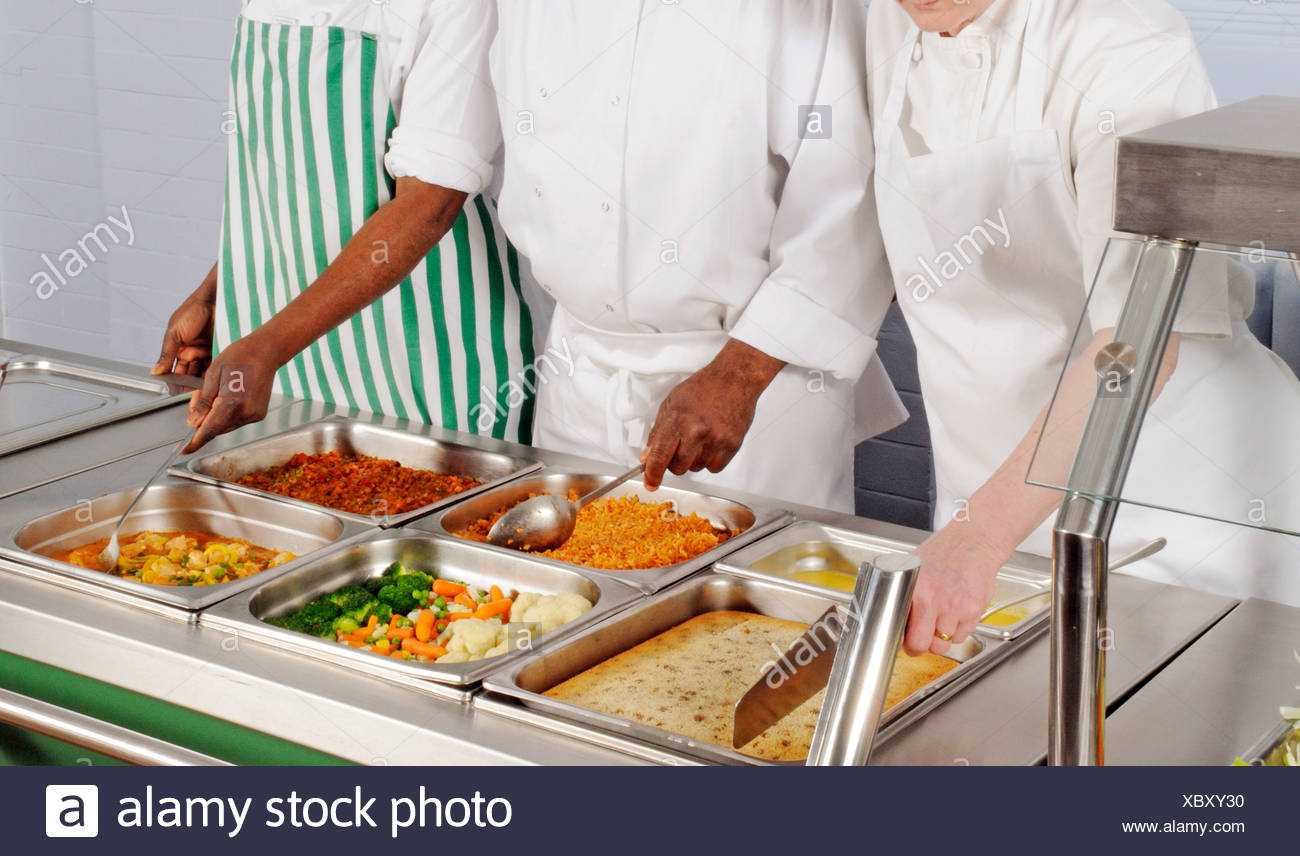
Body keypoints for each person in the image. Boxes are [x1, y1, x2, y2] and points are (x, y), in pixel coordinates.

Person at [866, 0, 1300, 656]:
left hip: (1173, 516)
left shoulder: (1125, 35)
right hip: (991, 512)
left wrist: (980, 536)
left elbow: (1137, 343)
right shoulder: (888, 26)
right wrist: (974, 534)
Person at [482, 0, 906, 511]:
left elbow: (844, 199)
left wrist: (741, 375)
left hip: (751, 381)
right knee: (577, 585)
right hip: (580, 377)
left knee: (755, 586)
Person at [152, 0, 542, 450]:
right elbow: (292, 187)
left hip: (425, 368)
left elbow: (429, 204)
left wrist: (270, 345)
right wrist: (221, 290)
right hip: (276, 370)